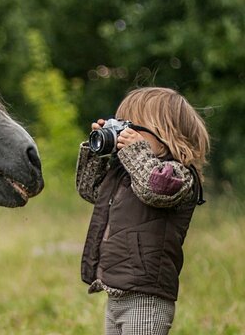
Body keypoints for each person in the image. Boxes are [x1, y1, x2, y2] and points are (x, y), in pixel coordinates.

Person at [75, 87, 210, 335]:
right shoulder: (126, 175)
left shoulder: (178, 174)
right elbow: (90, 191)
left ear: (165, 132)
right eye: (123, 126)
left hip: (147, 297)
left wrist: (136, 152)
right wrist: (98, 153)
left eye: (133, 127)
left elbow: (155, 189)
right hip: (116, 291)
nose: (126, 133)